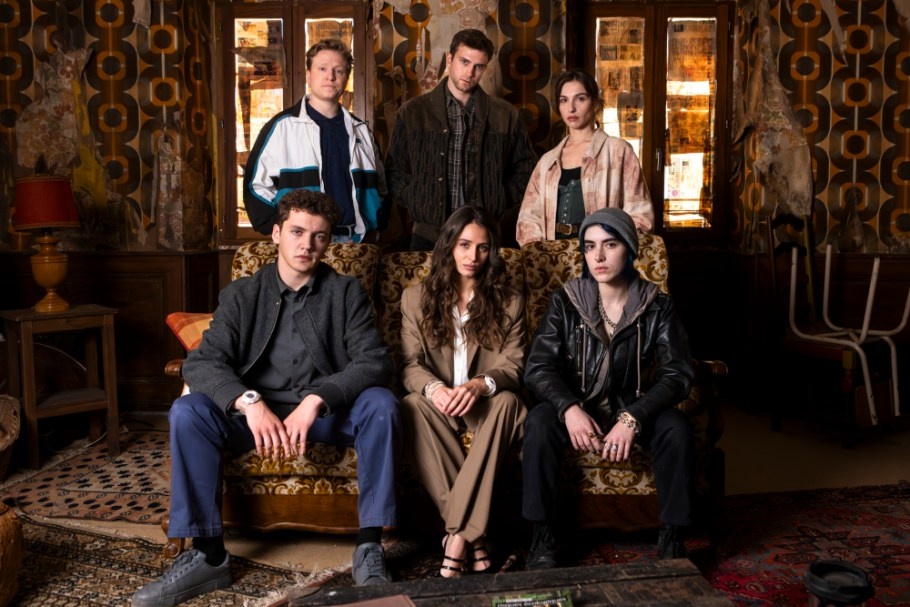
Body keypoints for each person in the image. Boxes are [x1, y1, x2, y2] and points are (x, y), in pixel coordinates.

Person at [132, 190, 400, 607]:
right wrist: (249, 402)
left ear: (328, 241)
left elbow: (374, 361)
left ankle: (369, 548)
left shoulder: (345, 293)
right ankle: (208, 555)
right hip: (255, 419)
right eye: (297, 232)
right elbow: (202, 363)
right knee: (188, 410)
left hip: (325, 415)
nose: (307, 244)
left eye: (319, 236)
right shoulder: (242, 294)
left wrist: (317, 400)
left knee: (381, 404)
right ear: (276, 234)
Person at [520, 207, 694, 569]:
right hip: (577, 406)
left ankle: (673, 537)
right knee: (538, 422)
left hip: (632, 407)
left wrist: (634, 417)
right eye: (589, 246)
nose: (598, 256)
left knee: (676, 428)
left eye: (610, 244)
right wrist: (568, 408)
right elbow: (538, 367)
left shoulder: (657, 306)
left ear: (629, 248)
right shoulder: (565, 302)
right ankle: (541, 536)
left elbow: (677, 374)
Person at [399, 205, 527, 577]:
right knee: (411, 403)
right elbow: (409, 365)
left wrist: (479, 384)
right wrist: (435, 389)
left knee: (508, 401)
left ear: (492, 252)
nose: (473, 256)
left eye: (483, 247)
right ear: (449, 246)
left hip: (486, 409)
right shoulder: (415, 299)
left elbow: (515, 365)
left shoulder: (510, 301)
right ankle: (475, 538)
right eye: (465, 245)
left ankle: (455, 539)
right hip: (439, 408)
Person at [385, 28, 537, 251]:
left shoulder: (505, 115)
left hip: (484, 234)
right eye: (464, 62)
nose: (469, 72)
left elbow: (526, 168)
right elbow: (394, 169)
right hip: (428, 235)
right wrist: (416, 198)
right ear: (449, 59)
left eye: (478, 66)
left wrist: (500, 198)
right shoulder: (413, 112)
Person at [243, 38, 385, 243]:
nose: (330, 76)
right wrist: (285, 226)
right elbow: (255, 186)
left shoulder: (361, 131)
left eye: (338, 70)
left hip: (357, 242)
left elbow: (381, 187)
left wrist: (375, 226)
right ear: (309, 74)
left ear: (347, 77)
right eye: (322, 69)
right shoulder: (282, 128)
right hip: (303, 243)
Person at [515, 70, 653, 247]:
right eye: (564, 100)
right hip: (554, 257)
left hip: (602, 255)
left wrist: (609, 247)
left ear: (595, 103)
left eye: (580, 99)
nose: (571, 108)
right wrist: (542, 253)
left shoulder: (618, 151)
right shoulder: (547, 162)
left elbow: (640, 215)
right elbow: (528, 218)